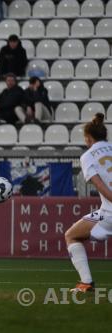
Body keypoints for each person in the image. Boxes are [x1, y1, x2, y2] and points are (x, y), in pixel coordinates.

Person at [65, 113, 112, 292]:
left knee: (71, 236)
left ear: (88, 138)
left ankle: (86, 282)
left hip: (109, 212)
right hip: (104, 210)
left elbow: (101, 186)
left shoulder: (88, 156)